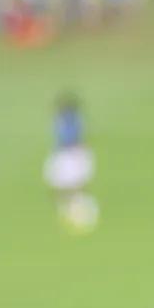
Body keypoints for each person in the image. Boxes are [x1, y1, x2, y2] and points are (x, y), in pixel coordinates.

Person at [44, 93, 96, 232]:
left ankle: (74, 205)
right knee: (65, 181)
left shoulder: (70, 120)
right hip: (68, 151)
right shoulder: (69, 119)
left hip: (70, 152)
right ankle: (70, 204)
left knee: (71, 181)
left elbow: (72, 137)